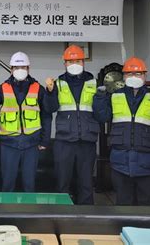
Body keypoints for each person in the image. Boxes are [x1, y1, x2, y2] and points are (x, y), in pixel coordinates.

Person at [93, 57, 150, 206]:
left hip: (147, 162)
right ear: (123, 77)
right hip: (120, 161)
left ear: (145, 76)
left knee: (148, 205)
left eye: (138, 74)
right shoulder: (115, 96)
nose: (134, 77)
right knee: (123, 204)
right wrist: (99, 97)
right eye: (130, 74)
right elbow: (101, 116)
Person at [0, 51, 52, 192]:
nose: (20, 70)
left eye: (23, 67)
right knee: (7, 184)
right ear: (11, 69)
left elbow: (47, 114)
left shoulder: (38, 88)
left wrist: (44, 140)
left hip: (31, 145)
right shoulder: (2, 88)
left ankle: (30, 213)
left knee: (29, 184)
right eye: (16, 67)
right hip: (9, 145)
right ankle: (7, 212)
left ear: (28, 69)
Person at [43, 45, 100, 204]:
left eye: (78, 61)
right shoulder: (57, 83)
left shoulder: (94, 83)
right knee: (62, 183)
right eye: (70, 61)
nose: (74, 64)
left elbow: (101, 113)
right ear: (65, 63)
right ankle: (62, 219)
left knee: (86, 184)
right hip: (64, 141)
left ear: (83, 62)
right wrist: (49, 92)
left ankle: (87, 219)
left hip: (87, 141)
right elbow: (50, 108)